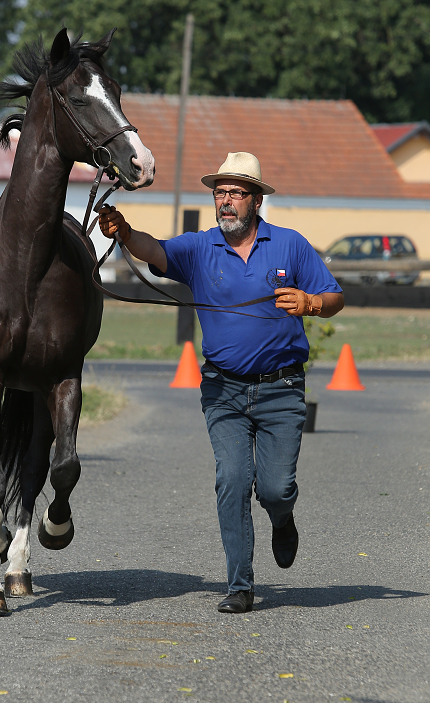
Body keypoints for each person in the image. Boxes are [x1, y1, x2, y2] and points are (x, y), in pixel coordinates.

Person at [99, 152, 344, 614]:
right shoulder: (200, 248)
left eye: (234, 193)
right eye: (219, 193)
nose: (225, 201)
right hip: (223, 391)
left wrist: (310, 303)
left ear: (256, 201)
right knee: (232, 478)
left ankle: (282, 516)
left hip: (281, 389)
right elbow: (156, 252)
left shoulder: (289, 245)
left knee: (275, 488)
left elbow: (334, 297)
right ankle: (240, 584)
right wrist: (126, 233)